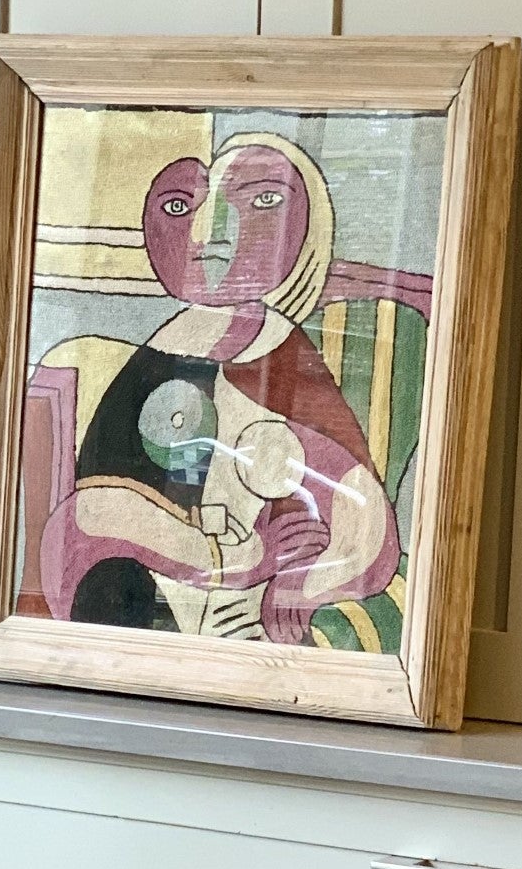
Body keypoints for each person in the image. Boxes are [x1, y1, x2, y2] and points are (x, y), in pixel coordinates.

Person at [37, 134, 399, 645]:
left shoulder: (283, 357)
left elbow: (365, 520)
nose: (211, 236)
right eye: (179, 207)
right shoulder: (161, 354)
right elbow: (95, 510)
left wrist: (304, 585)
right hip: (145, 594)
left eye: (262, 201)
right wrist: (233, 557)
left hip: (245, 614)